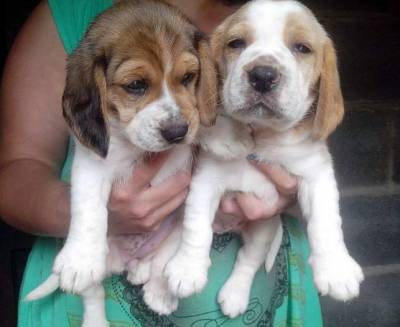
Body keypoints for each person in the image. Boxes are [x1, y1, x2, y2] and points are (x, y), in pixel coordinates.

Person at [0, 0, 323, 326]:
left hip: (263, 286)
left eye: (188, 78)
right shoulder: (73, 12)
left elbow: (312, 155)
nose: (176, 119)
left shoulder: (289, 17)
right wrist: (99, 219)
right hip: (93, 276)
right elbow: (18, 167)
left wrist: (294, 192)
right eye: (136, 85)